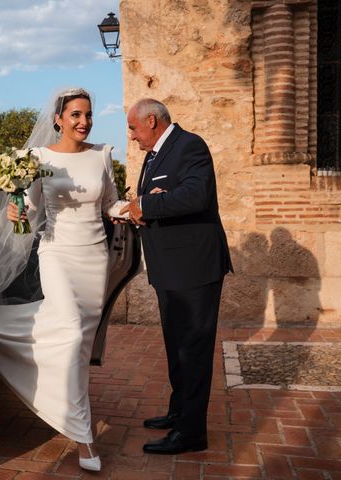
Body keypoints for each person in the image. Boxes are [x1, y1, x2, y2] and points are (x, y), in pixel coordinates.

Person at [0, 87, 128, 472]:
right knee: (71, 334)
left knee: (79, 347)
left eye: (88, 115)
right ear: (58, 119)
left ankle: (69, 404)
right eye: (75, 115)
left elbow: (110, 203)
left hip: (94, 259)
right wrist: (15, 214)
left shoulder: (102, 155)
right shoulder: (38, 159)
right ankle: (85, 437)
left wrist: (132, 209)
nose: (83, 122)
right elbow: (32, 213)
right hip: (56, 253)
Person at [119, 98, 233, 454]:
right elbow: (157, 199)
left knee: (193, 350)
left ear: (151, 121)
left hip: (194, 268)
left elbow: (196, 196)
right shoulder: (154, 155)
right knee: (176, 346)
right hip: (169, 269)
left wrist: (147, 205)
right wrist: (136, 209)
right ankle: (180, 412)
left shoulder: (190, 146)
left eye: (134, 128)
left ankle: (192, 433)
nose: (133, 137)